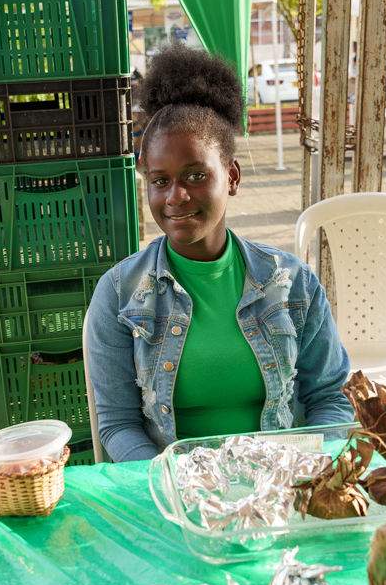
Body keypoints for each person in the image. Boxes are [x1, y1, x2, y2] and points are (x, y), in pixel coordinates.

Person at [86, 44, 354, 463]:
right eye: (160, 181)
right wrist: (170, 483)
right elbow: (117, 424)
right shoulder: (120, 294)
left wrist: (316, 470)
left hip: (280, 482)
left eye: (196, 175)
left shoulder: (292, 283)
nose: (177, 196)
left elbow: (331, 396)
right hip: (173, 492)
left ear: (231, 176)